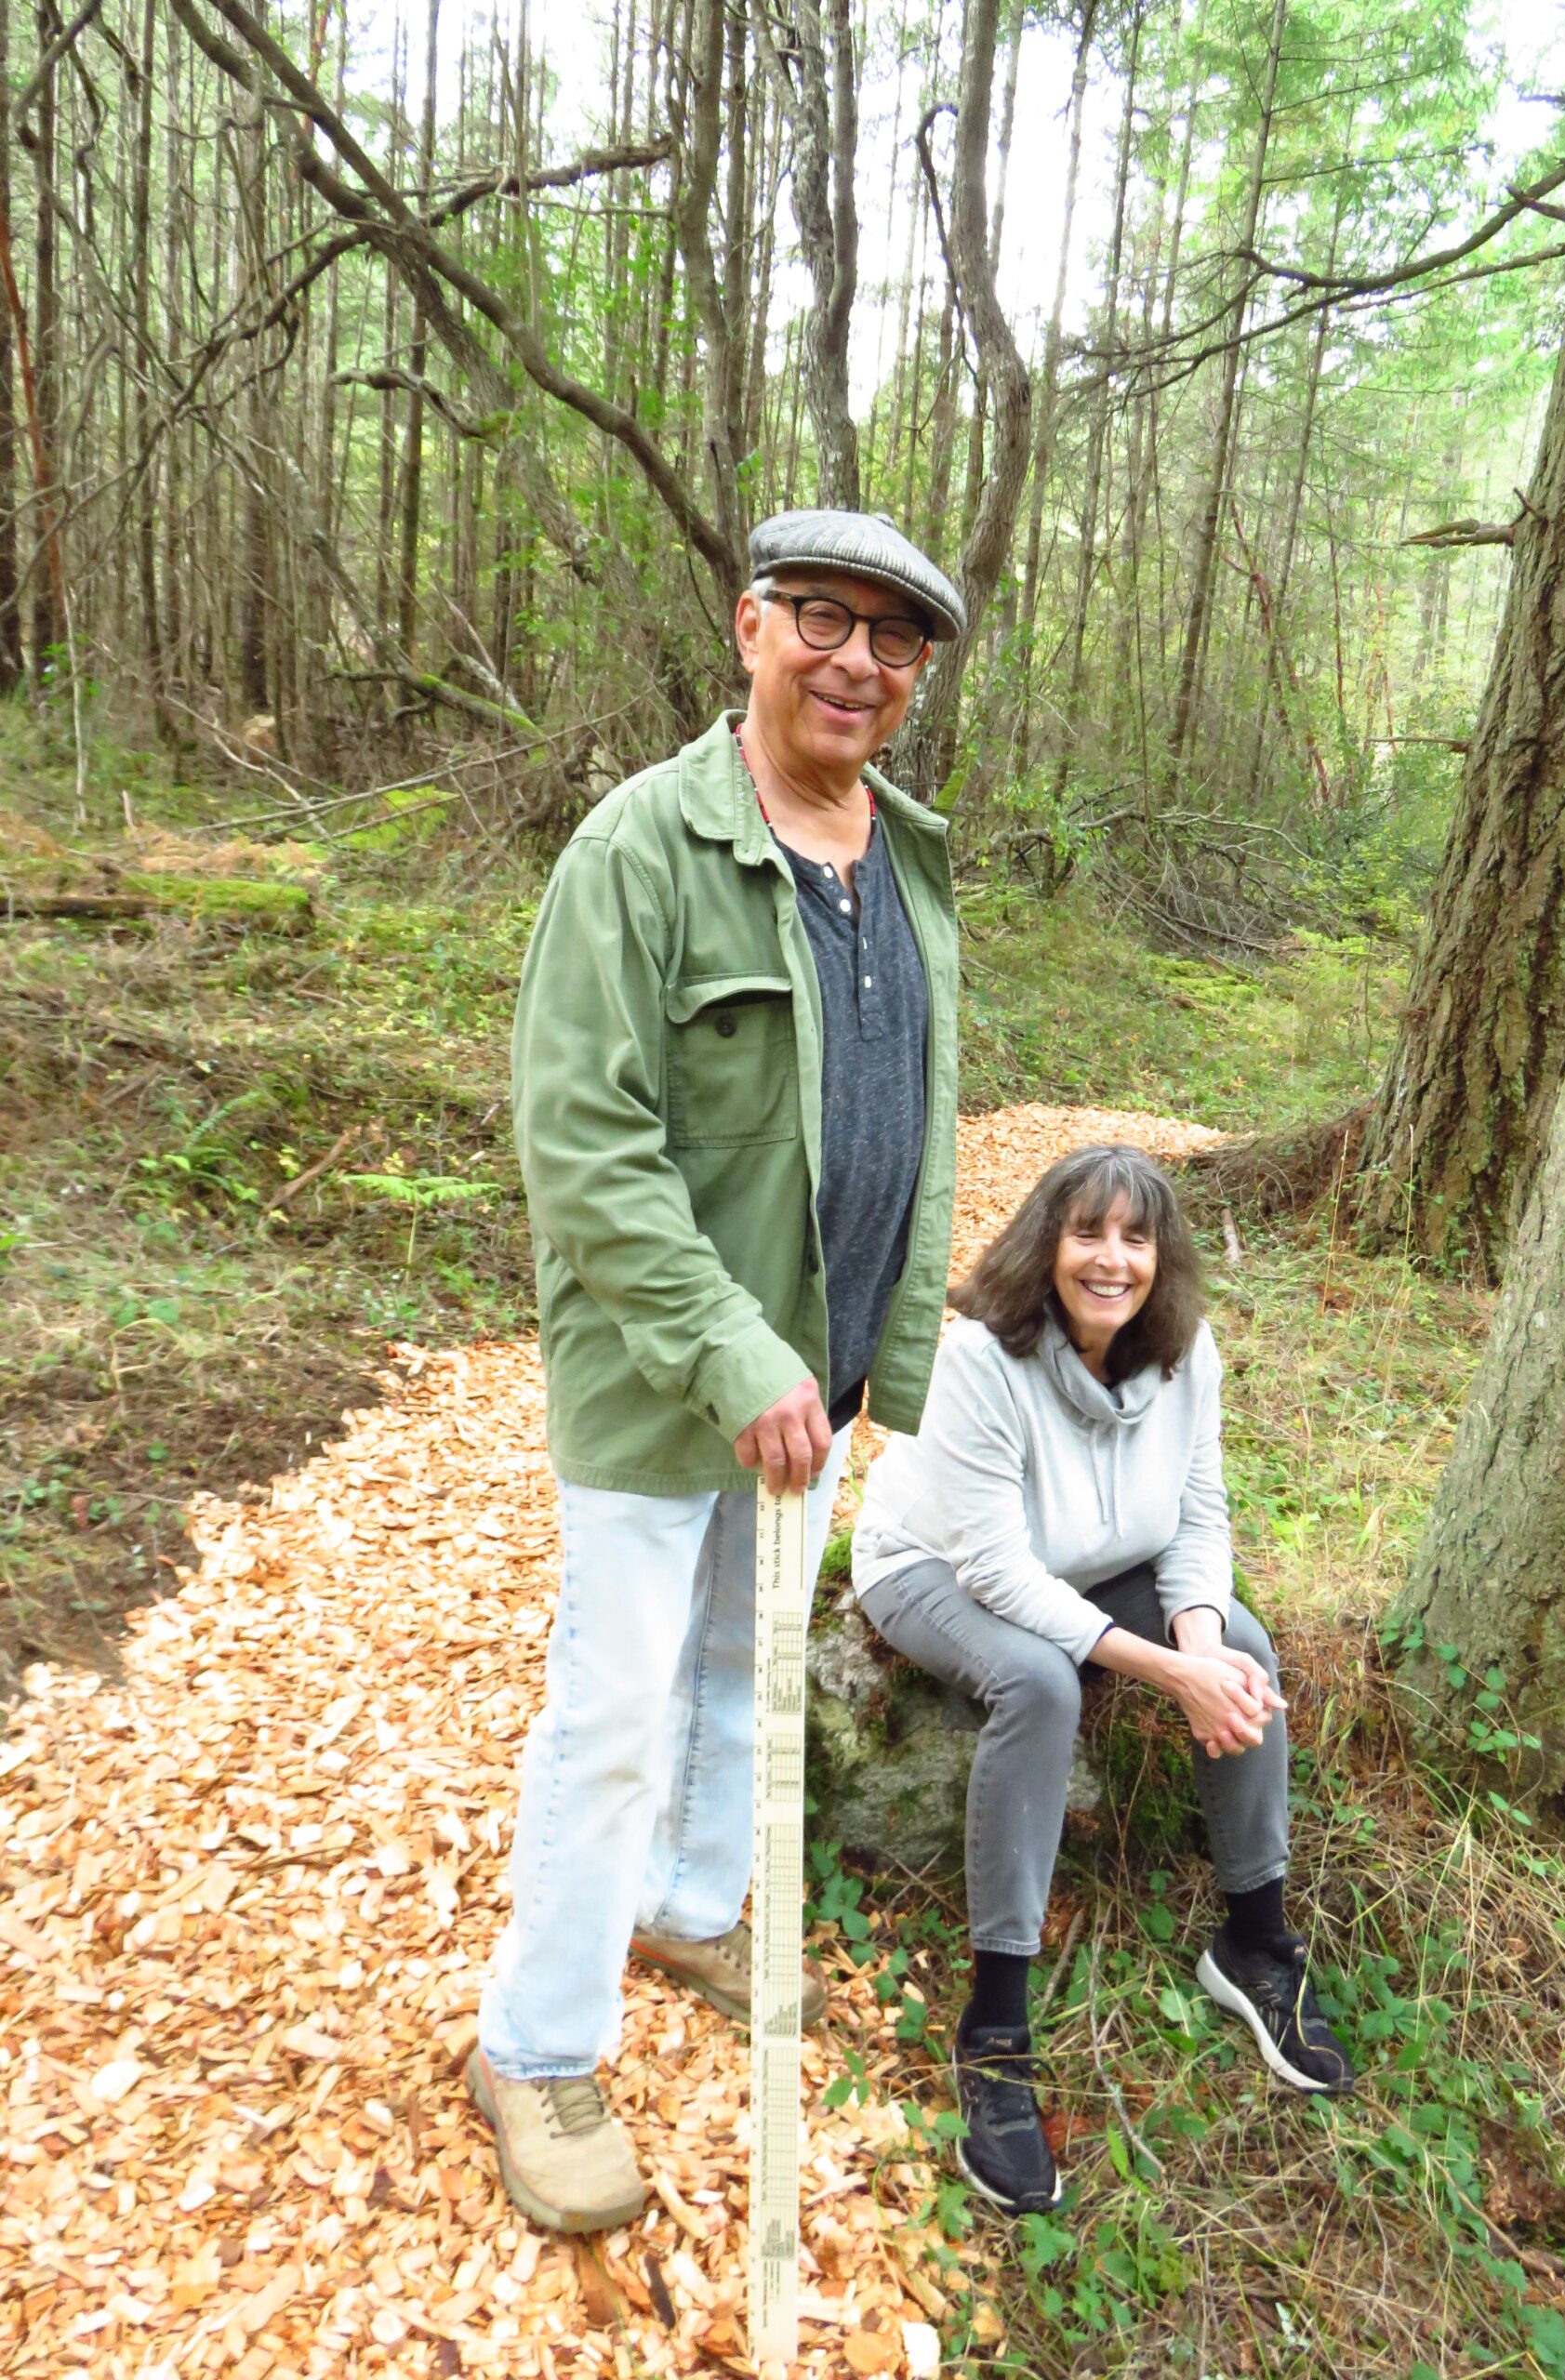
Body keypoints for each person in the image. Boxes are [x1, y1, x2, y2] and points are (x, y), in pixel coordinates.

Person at [470, 510, 965, 2234]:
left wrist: (874, 1352)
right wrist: (731, 1344)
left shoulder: (905, 858)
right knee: (614, 1707)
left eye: (895, 641)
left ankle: (692, 1904)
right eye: (824, 619)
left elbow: (918, 1117)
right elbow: (584, 1141)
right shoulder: (641, 847)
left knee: (743, 1682)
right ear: (750, 627)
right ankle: (535, 2044)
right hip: (664, 1377)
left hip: (811, 1388)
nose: (857, 661)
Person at [852, 1144, 1355, 2215]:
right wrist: (1163, 1670)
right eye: (1089, 1231)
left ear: (1161, 1257)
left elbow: (1199, 1517)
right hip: (933, 1563)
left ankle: (1255, 1941)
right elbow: (994, 1569)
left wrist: (1202, 1641)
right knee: (1042, 1683)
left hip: (1093, 1558)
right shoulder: (982, 1357)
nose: (1112, 1258)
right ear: (1049, 1241)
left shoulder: (1185, 1354)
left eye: (1136, 1236)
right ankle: (996, 2028)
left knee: (1246, 1652)